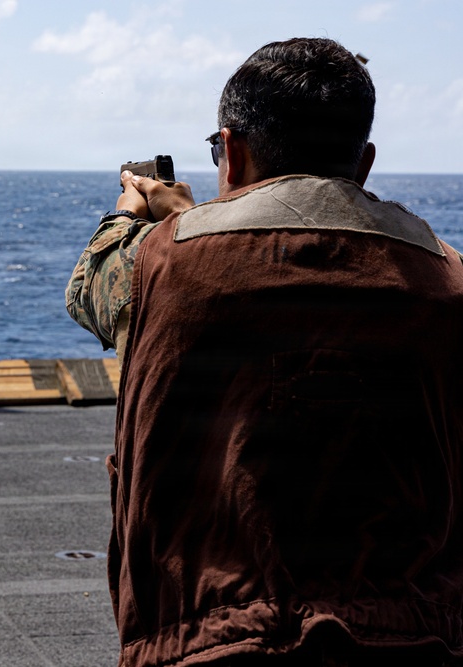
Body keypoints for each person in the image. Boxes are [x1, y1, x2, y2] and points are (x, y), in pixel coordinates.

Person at [67, 37, 463, 666]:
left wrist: (135, 217)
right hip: (416, 635)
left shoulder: (160, 264)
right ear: (363, 161)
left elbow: (91, 289)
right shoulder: (448, 279)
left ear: (232, 149)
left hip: (207, 643)